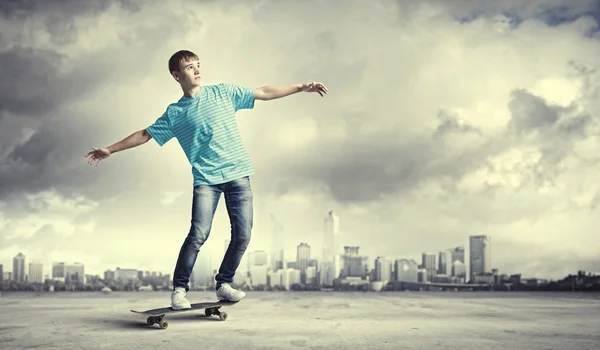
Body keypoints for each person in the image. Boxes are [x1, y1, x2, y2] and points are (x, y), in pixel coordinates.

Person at [84, 50, 328, 310]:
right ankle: (179, 290)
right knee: (198, 234)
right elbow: (145, 134)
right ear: (176, 75)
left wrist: (301, 87)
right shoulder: (175, 113)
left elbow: (264, 92)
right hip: (206, 180)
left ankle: (224, 284)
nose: (197, 70)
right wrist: (111, 149)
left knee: (243, 236)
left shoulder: (223, 93)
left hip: (238, 174)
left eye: (198, 65)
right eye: (190, 67)